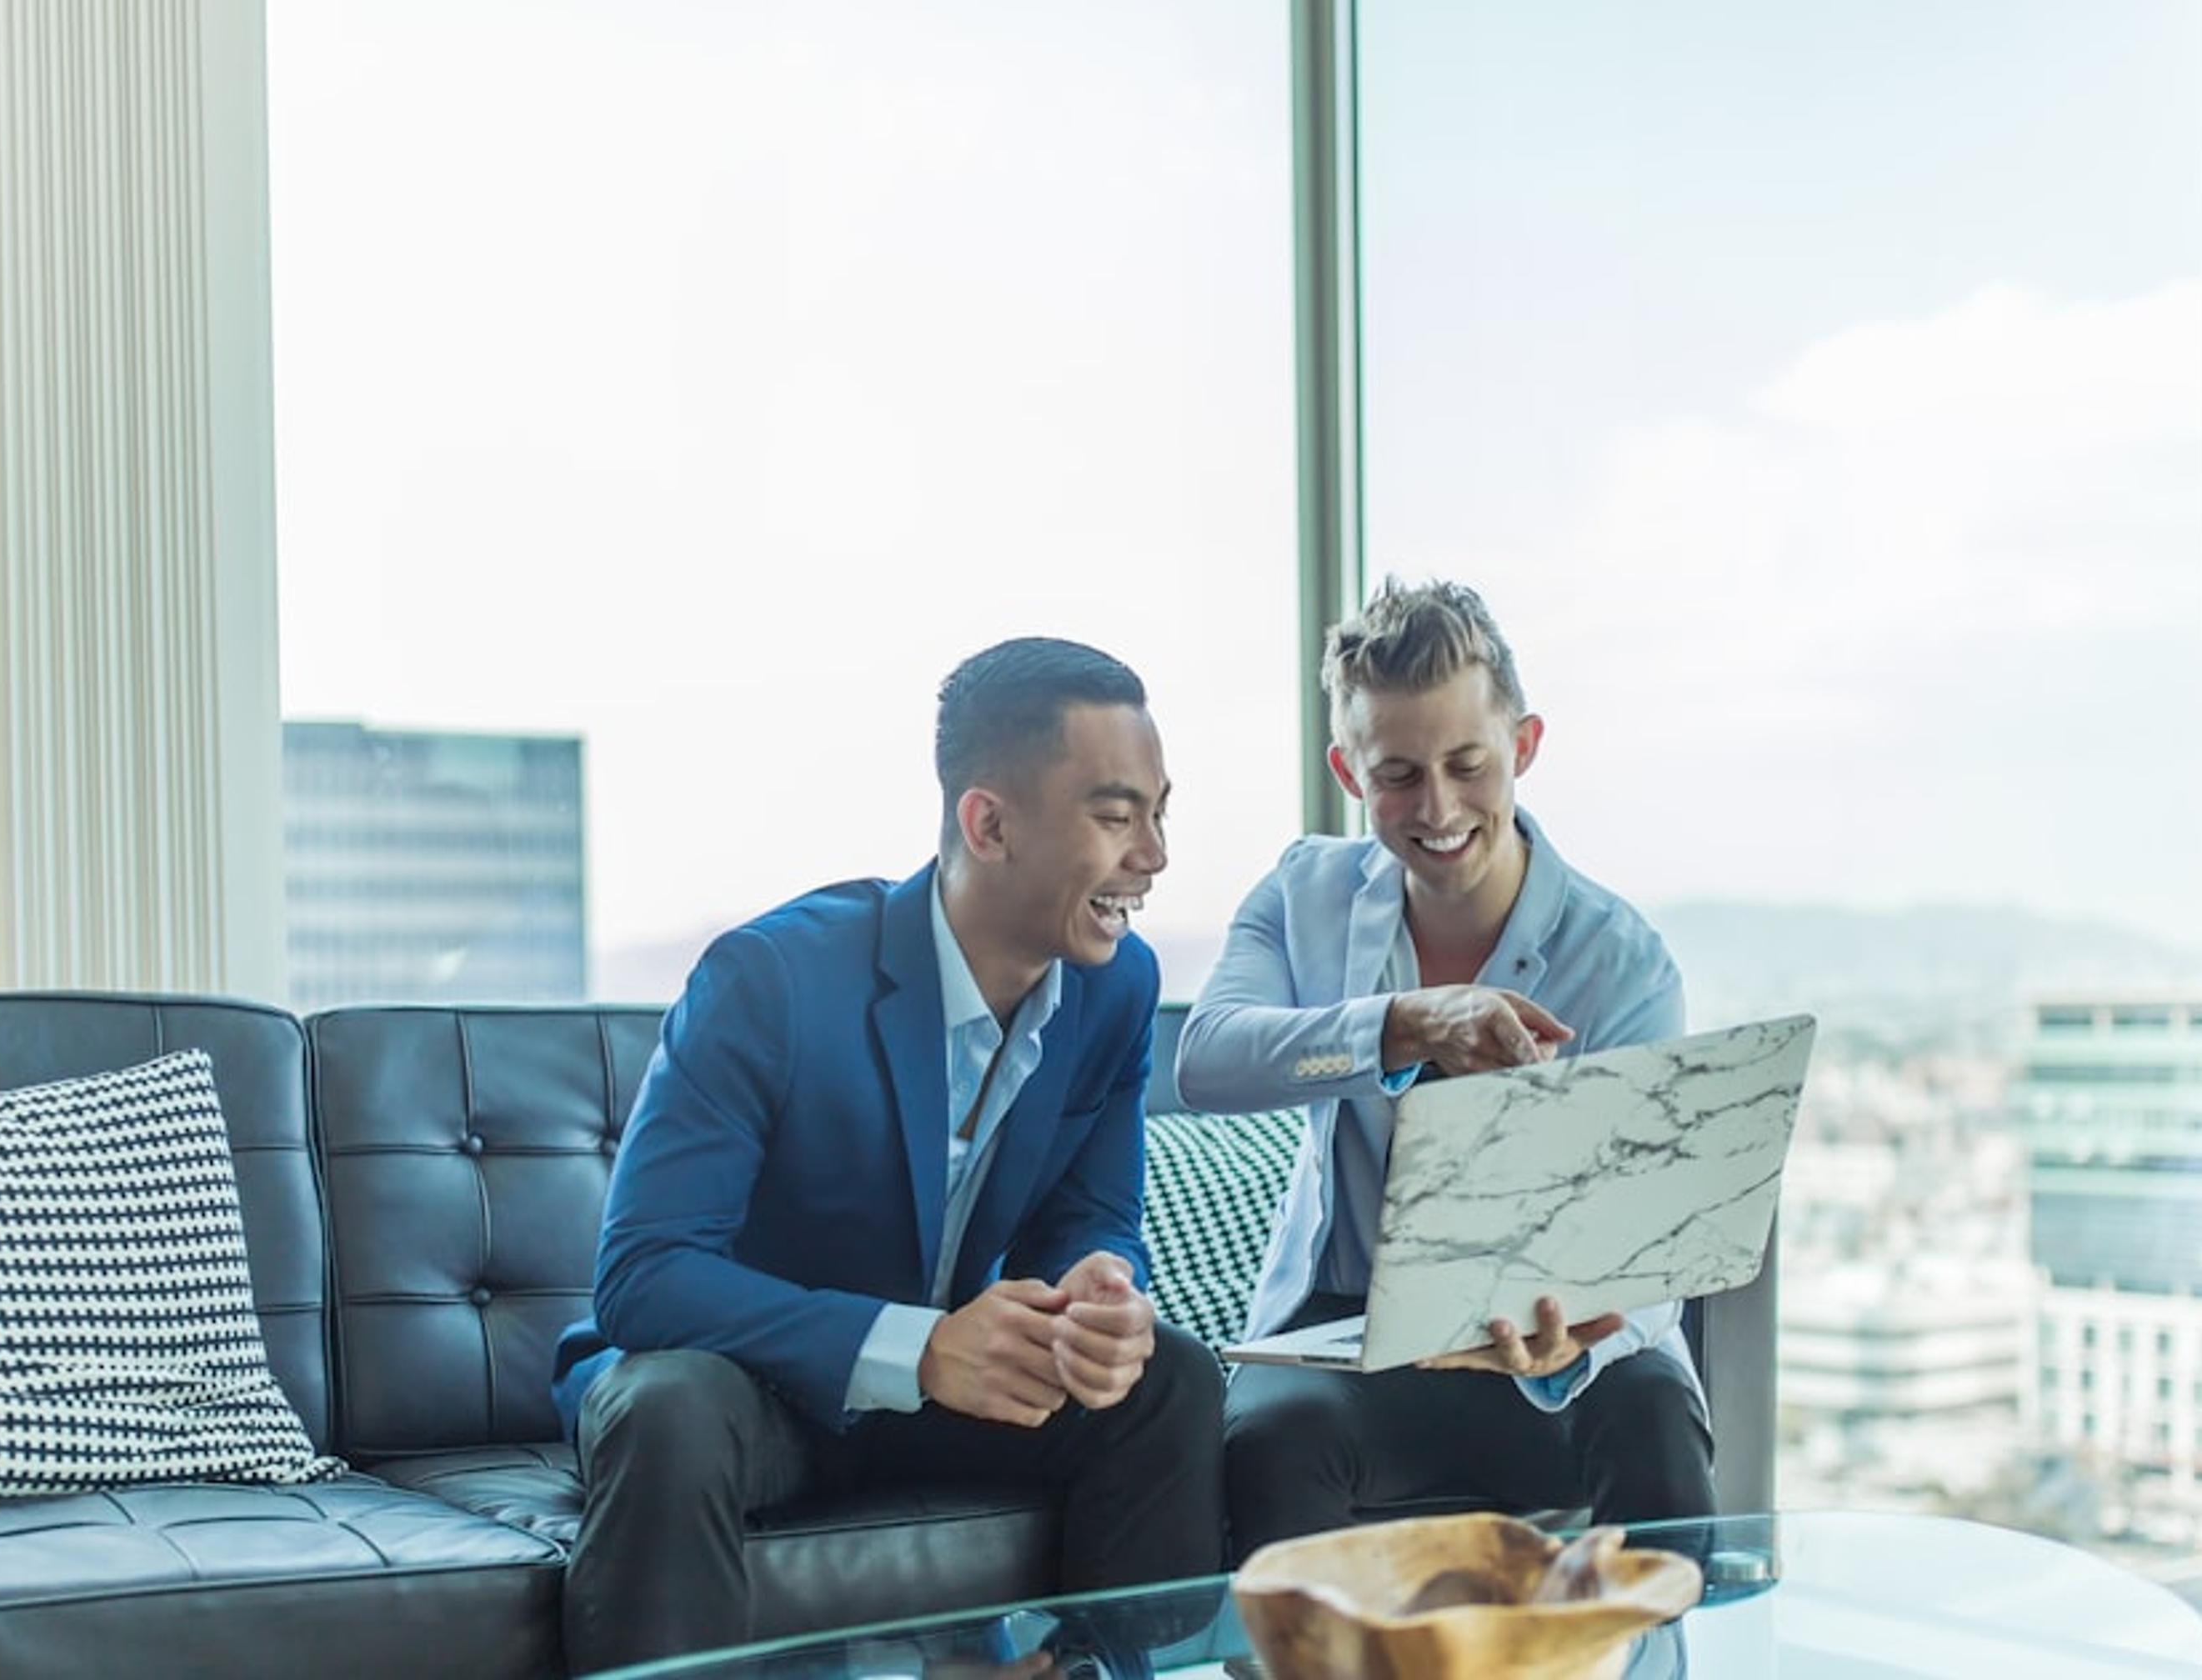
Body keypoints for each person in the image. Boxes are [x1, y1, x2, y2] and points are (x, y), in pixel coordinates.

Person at [552, 638, 1224, 1670]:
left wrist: (1101, 1285)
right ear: (989, 824)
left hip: (947, 1393)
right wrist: (918, 1348)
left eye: (1159, 811)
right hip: (757, 1391)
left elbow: (1091, 1215)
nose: (1156, 855)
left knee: (1166, 1378)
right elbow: (644, 1277)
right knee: (668, 1408)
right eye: (1116, 813)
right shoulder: (769, 979)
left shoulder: (1117, 986)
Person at [1175, 580, 1717, 1558]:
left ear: (1525, 745)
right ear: (1348, 771)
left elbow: (1654, 1241)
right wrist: (1404, 1025)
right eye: (1398, 775)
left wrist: (1574, 1336)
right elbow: (1207, 1061)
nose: (1438, 808)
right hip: (1350, 1337)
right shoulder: (1303, 895)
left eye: (1468, 763)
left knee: (1654, 1415)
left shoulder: (1623, 960)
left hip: (1553, 1345)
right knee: (1270, 1439)